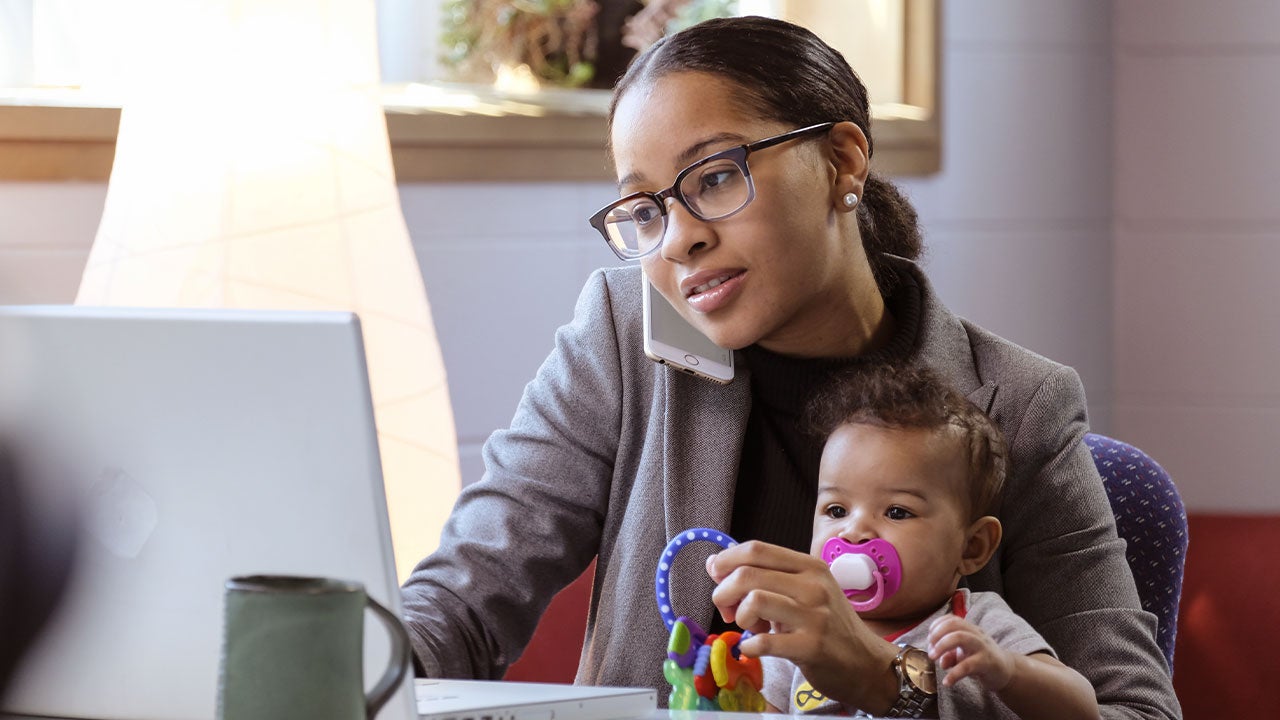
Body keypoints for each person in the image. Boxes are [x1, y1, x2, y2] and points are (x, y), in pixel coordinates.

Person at [401, 15, 1180, 720]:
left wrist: (889, 680)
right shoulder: (625, 334)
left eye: (713, 177)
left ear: (843, 160)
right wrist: (342, 669)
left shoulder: (1019, 403)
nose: (678, 240)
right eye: (644, 209)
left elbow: (1135, 713)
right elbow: (464, 603)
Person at [746, 365, 1096, 719]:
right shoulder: (803, 624)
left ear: (971, 547)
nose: (853, 531)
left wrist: (1007, 670)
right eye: (836, 510)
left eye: (897, 512)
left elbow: (1083, 710)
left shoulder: (974, 624)